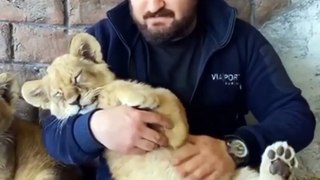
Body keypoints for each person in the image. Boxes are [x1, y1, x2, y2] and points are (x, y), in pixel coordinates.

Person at [41, 0, 316, 179]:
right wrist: (93, 128)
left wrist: (235, 147)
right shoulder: (106, 38)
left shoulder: (239, 39)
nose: (154, 5)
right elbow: (53, 136)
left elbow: (296, 117)